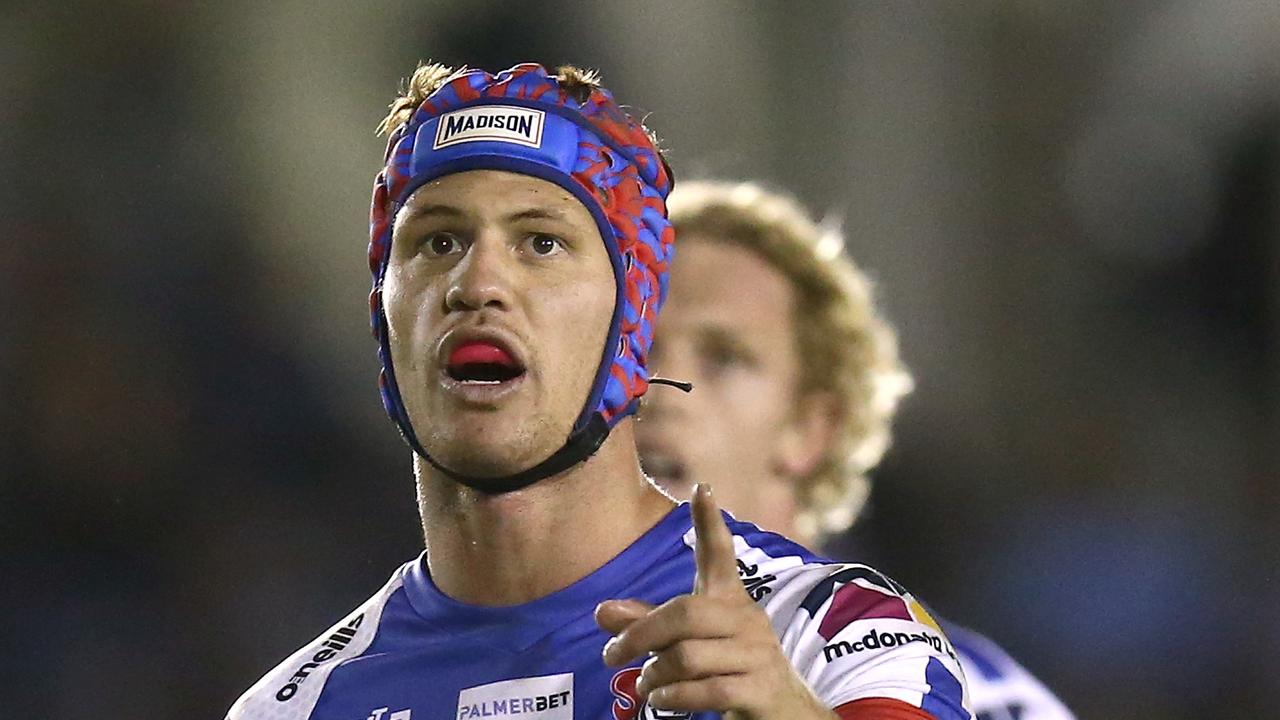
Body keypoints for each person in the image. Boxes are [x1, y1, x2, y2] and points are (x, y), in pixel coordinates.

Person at [225, 62, 969, 720]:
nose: (477, 284)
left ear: (632, 318)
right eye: (437, 241)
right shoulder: (291, 707)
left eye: (541, 242)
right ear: (383, 314)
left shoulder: (825, 631)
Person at [637, 180, 1075, 720]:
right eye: (635, 347)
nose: (658, 384)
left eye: (724, 357)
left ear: (809, 428)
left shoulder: (977, 696)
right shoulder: (520, 660)